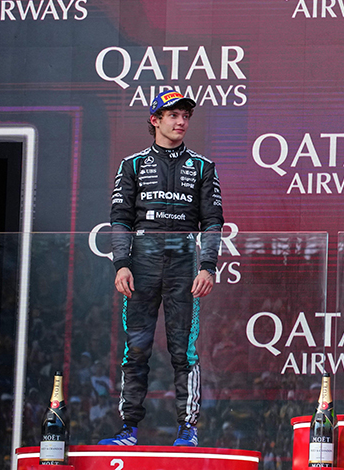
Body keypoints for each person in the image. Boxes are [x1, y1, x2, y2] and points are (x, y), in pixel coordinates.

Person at [100, 90, 223, 446]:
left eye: (186, 116)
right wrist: (122, 264)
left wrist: (208, 266)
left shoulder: (203, 167)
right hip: (142, 262)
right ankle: (128, 429)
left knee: (184, 351)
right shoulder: (133, 165)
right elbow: (120, 219)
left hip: (184, 262)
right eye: (173, 115)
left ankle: (188, 429)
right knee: (136, 349)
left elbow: (212, 221)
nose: (181, 122)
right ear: (155, 120)